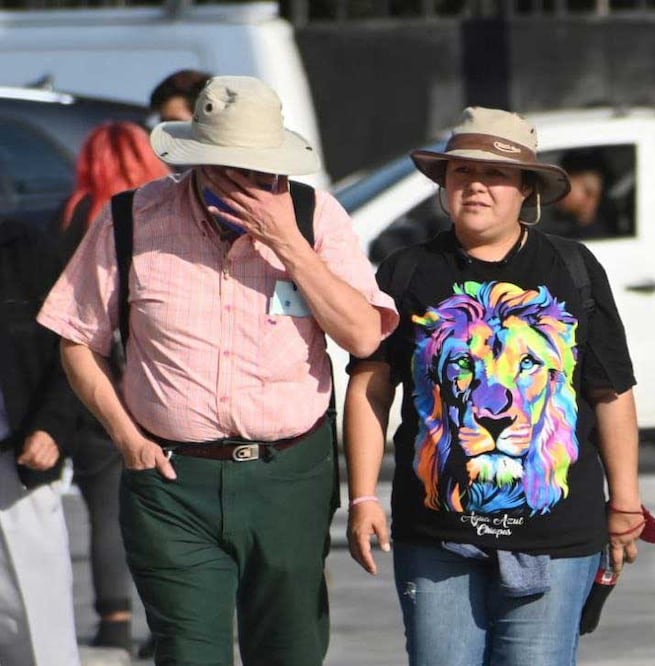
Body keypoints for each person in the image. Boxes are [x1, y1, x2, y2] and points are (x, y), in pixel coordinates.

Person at [38, 75, 398, 665]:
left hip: (289, 475)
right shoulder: (132, 219)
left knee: (291, 650)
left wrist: (290, 247)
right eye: (235, 171)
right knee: (188, 652)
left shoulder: (315, 217)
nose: (254, 186)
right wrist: (126, 436)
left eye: (265, 170)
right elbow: (77, 339)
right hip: (172, 482)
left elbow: (362, 335)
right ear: (199, 164)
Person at [343, 106, 645, 665]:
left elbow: (611, 391)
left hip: (556, 537)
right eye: (461, 172)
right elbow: (371, 387)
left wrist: (625, 502)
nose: (476, 185)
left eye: (495, 174)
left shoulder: (573, 268)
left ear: (526, 189)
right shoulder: (406, 271)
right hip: (436, 534)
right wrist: (362, 495)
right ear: (444, 184)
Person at [55, 121, 171, 652]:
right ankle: (168, 617)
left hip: (98, 381)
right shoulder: (156, 210)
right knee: (168, 510)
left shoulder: (79, 212)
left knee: (104, 506)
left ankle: (115, 619)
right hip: (159, 382)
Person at [0, 217, 81, 665]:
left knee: (40, 630)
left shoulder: (23, 244)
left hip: (19, 462)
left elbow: (73, 345)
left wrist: (53, 426)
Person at [540, 149, 619, 240]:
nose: (559, 190)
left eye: (566, 184)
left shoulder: (599, 238)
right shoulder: (564, 232)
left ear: (590, 192)